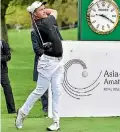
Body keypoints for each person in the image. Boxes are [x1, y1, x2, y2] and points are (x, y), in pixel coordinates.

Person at [15, 1, 64, 131]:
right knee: (39, 91)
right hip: (48, 62)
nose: (44, 10)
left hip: (58, 61)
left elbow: (51, 13)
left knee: (57, 91)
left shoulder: (44, 21)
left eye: (44, 8)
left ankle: (56, 122)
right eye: (41, 9)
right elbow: (54, 12)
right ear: (35, 14)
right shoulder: (43, 23)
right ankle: (22, 112)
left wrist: (39, 10)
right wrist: (44, 12)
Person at [31, 22, 63, 116]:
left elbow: (61, 42)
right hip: (43, 61)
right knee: (43, 88)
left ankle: (55, 110)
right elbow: (36, 49)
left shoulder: (55, 29)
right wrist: (47, 55)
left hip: (55, 62)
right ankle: (46, 109)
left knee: (56, 86)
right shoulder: (34, 32)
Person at [1, 40, 16, 114]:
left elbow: (8, 56)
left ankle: (12, 110)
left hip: (2, 71)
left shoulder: (3, 43)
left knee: (7, 90)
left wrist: (1, 59)